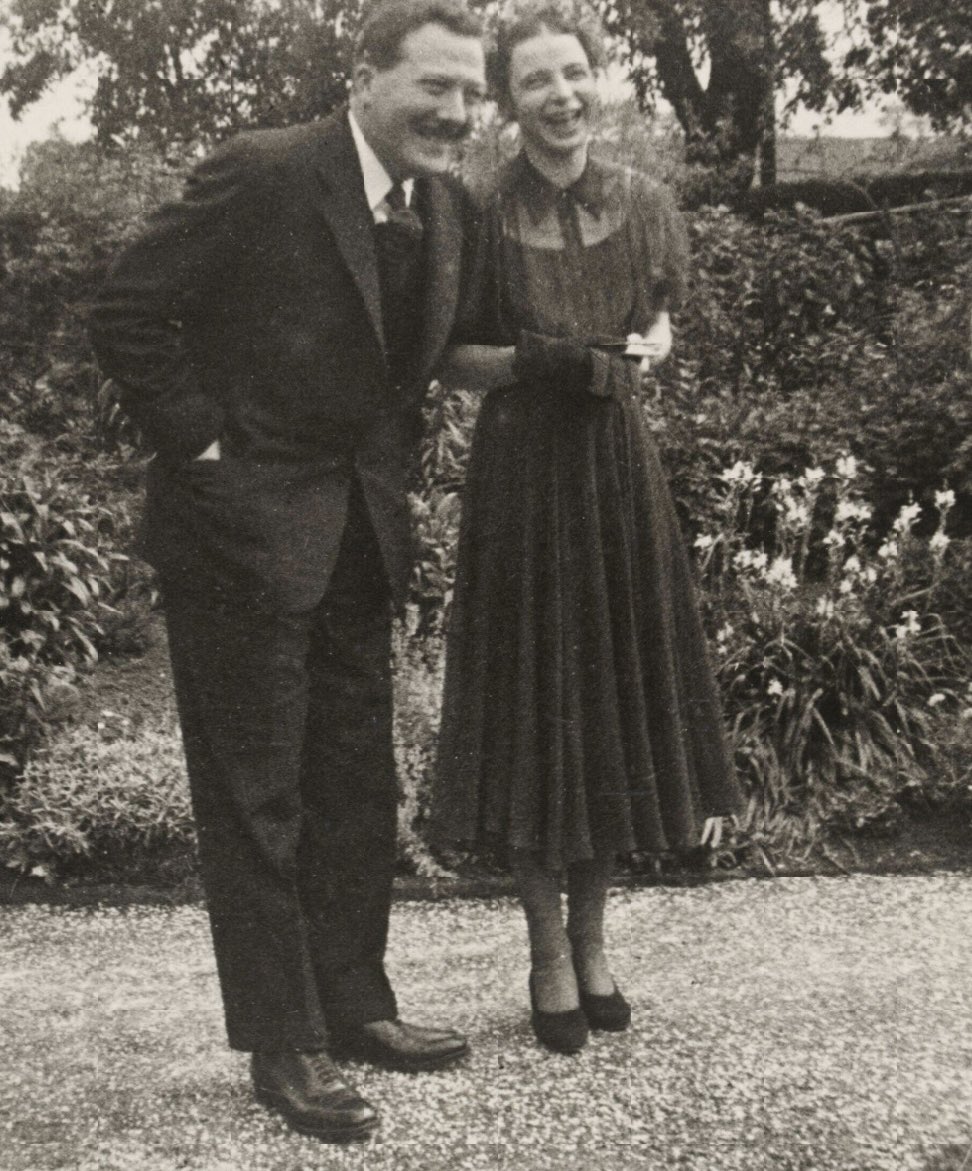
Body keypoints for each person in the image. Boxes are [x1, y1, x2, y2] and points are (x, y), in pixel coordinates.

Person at [89, 0, 487, 1144]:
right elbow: (127, 308)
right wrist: (205, 449)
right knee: (257, 798)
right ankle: (283, 1042)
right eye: (435, 87)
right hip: (235, 536)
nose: (456, 113)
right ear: (366, 79)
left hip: (361, 538)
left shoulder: (445, 205)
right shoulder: (265, 171)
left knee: (358, 785)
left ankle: (357, 1006)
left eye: (470, 93)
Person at [432, 0, 744, 1055]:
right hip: (522, 479)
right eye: (534, 82)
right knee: (534, 705)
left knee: (605, 698)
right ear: (506, 103)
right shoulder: (473, 209)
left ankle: (597, 939)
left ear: (600, 77)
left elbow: (658, 324)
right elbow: (449, 361)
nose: (559, 96)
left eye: (573, 74)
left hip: (616, 471)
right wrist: (532, 361)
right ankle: (543, 949)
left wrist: (641, 348)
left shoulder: (648, 205)